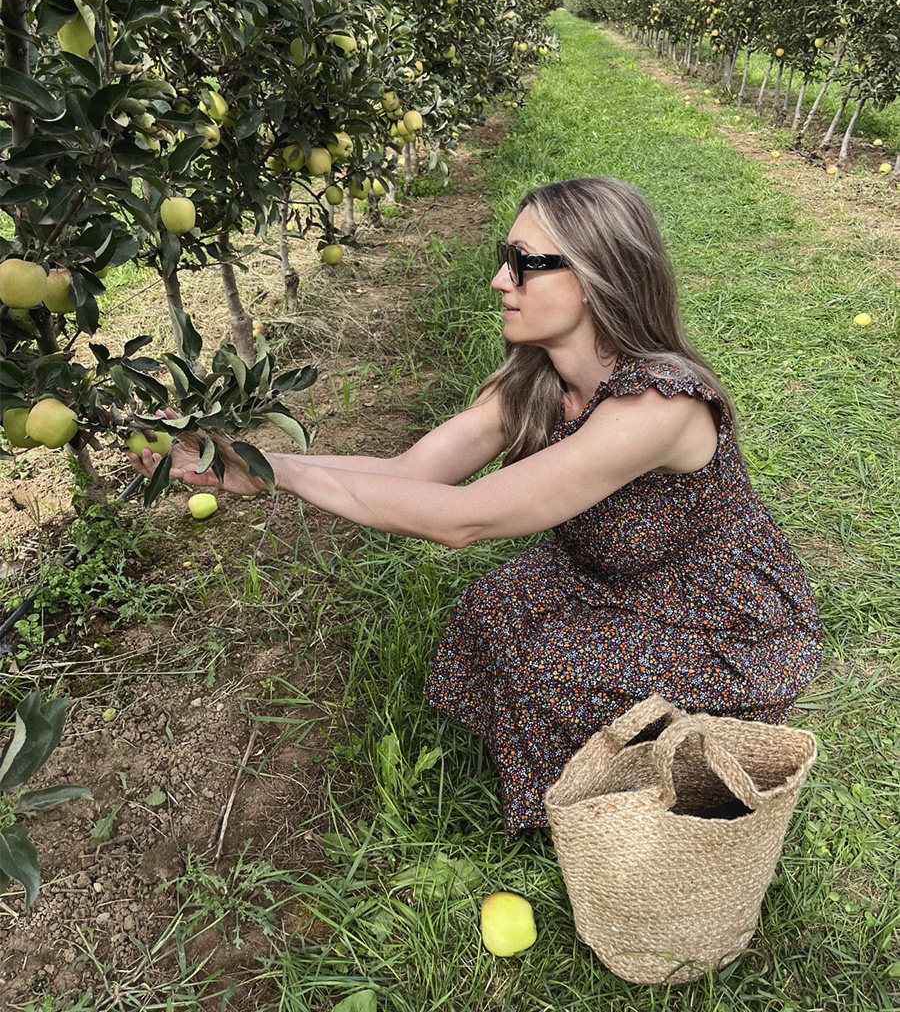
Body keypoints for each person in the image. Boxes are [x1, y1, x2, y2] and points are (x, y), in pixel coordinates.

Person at [131, 177, 822, 838]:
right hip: (619, 577)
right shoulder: (539, 382)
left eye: (524, 264)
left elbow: (462, 517)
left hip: (721, 617)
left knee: (550, 663)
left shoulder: (658, 406)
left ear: (592, 277)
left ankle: (655, 796)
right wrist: (253, 464)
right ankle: (590, 771)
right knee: (494, 611)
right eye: (505, 258)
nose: (500, 280)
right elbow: (412, 473)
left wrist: (273, 468)